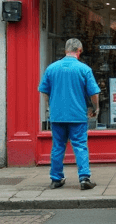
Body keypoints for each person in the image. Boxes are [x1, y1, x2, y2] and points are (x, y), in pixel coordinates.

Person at [39, 38, 100, 190]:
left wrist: (49, 106)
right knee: (80, 146)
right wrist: (95, 108)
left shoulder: (51, 68)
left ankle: (56, 178)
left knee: (58, 146)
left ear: (65, 50)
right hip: (77, 115)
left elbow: (44, 91)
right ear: (79, 51)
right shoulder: (84, 69)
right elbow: (94, 94)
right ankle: (84, 178)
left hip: (57, 115)